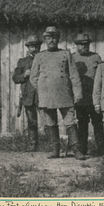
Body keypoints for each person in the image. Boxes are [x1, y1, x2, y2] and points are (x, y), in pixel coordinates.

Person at [30, 26, 85, 160]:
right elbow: (33, 78)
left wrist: (78, 94)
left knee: (70, 122)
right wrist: (44, 89)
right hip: (47, 96)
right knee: (50, 123)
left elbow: (74, 76)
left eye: (54, 37)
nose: (52, 40)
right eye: (49, 38)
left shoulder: (66, 54)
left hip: (65, 94)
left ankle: (76, 149)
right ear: (45, 40)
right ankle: (55, 149)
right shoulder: (39, 56)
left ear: (58, 39)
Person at [72, 33, 104, 157]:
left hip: (94, 98)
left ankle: (102, 149)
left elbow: (102, 76)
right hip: (80, 98)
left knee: (98, 123)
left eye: (86, 44)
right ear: (76, 45)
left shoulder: (96, 57)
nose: (84, 46)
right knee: (82, 124)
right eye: (81, 44)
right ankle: (82, 149)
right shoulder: (73, 58)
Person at [12, 35, 43, 151]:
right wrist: (24, 75)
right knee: (32, 122)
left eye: (36, 46)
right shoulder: (23, 62)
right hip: (28, 96)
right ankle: (33, 145)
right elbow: (15, 78)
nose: (34, 49)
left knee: (47, 121)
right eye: (31, 47)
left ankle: (52, 146)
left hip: (43, 96)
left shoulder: (43, 59)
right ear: (28, 48)